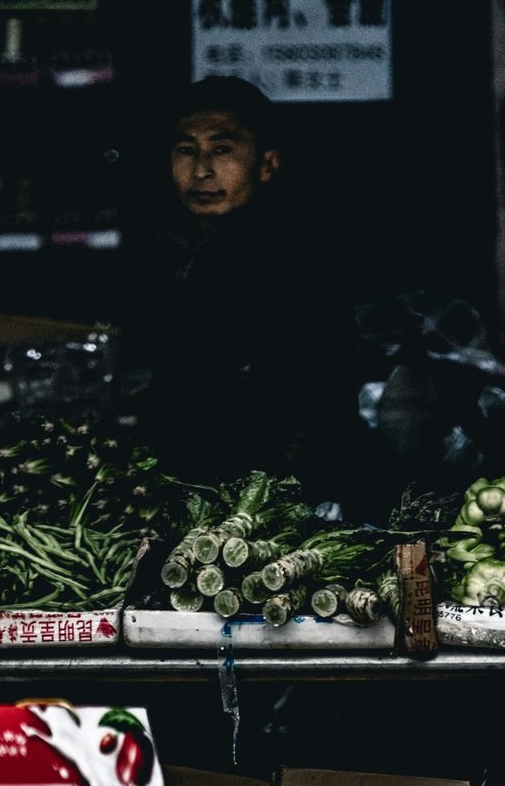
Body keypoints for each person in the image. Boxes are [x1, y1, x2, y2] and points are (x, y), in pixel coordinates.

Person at [122, 76, 372, 504]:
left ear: (267, 164)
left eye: (222, 150)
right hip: (185, 488)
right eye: (186, 151)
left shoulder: (299, 255)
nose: (201, 170)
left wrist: (270, 480)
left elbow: (324, 395)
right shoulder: (163, 250)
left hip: (275, 495)